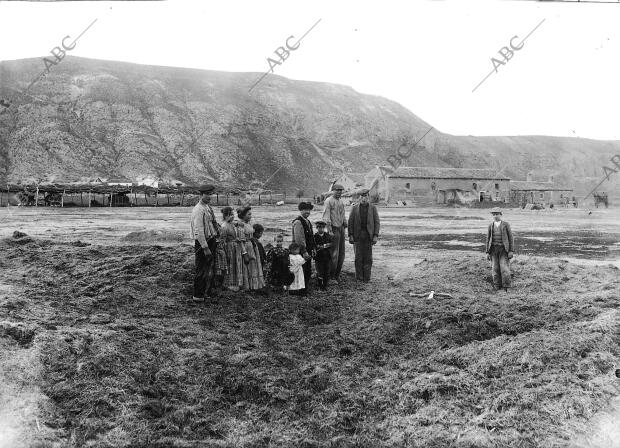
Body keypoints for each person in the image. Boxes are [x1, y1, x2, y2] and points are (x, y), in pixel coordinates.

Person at [190, 184, 220, 302]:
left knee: (209, 267)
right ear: (201, 195)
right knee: (201, 269)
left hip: (211, 240)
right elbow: (199, 231)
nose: (209, 196)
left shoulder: (207, 207)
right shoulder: (199, 209)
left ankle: (206, 292)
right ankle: (198, 295)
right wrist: (205, 248)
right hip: (203, 242)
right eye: (207, 194)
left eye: (210, 194)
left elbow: (212, 223)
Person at [348, 188, 380, 282]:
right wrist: (350, 235)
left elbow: (377, 222)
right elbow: (350, 222)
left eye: (365, 196)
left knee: (368, 257)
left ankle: (367, 277)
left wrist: (375, 236)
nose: (363, 198)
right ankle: (359, 277)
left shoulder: (373, 208)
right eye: (362, 196)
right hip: (358, 235)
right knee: (358, 257)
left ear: (368, 197)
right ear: (359, 197)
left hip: (368, 235)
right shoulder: (354, 208)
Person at [321, 183, 347, 284]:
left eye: (341, 190)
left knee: (341, 254)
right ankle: (331, 277)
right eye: (337, 190)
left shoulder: (341, 201)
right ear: (333, 191)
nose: (339, 192)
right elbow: (326, 217)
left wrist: (345, 223)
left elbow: (343, 214)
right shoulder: (328, 201)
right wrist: (330, 230)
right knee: (334, 254)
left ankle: (337, 275)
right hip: (333, 229)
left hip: (341, 229)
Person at [485, 207, 515, 292]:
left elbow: (511, 238)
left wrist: (511, 251)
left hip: (503, 250)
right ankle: (497, 286)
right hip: (493, 250)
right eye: (494, 214)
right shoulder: (491, 225)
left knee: (504, 268)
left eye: (497, 214)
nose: (495, 216)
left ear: (501, 214)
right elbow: (488, 239)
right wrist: (487, 251)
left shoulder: (506, 224)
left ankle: (507, 286)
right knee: (495, 268)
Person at [237, 206, 266, 291]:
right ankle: (247, 286)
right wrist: (244, 253)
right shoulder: (240, 224)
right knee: (247, 266)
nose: (250, 216)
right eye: (249, 214)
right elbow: (241, 240)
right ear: (243, 215)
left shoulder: (248, 223)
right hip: (245, 247)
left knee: (253, 265)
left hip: (251, 246)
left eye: (251, 214)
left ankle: (254, 285)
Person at [292, 201, 315, 294]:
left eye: (309, 210)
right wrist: (304, 251)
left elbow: (311, 237)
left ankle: (304, 289)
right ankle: (299, 290)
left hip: (307, 251)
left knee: (307, 270)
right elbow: (299, 239)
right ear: (300, 210)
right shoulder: (298, 222)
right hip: (299, 251)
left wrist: (313, 248)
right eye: (305, 210)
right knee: (301, 270)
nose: (307, 212)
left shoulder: (308, 222)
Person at [219, 206, 243, 292]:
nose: (232, 216)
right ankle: (229, 284)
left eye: (232, 214)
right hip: (229, 248)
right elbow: (222, 240)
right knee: (230, 265)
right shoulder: (224, 226)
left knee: (236, 264)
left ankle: (237, 283)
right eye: (229, 215)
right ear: (225, 216)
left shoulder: (232, 224)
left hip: (235, 247)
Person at [313, 220, 332, 290]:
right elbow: (313, 245)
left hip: (327, 256)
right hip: (319, 257)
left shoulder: (327, 235)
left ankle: (325, 285)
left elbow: (331, 243)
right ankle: (320, 286)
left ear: (324, 228)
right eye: (319, 227)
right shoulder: (314, 236)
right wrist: (317, 247)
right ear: (317, 228)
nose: (321, 229)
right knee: (319, 272)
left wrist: (328, 244)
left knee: (326, 271)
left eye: (322, 227)